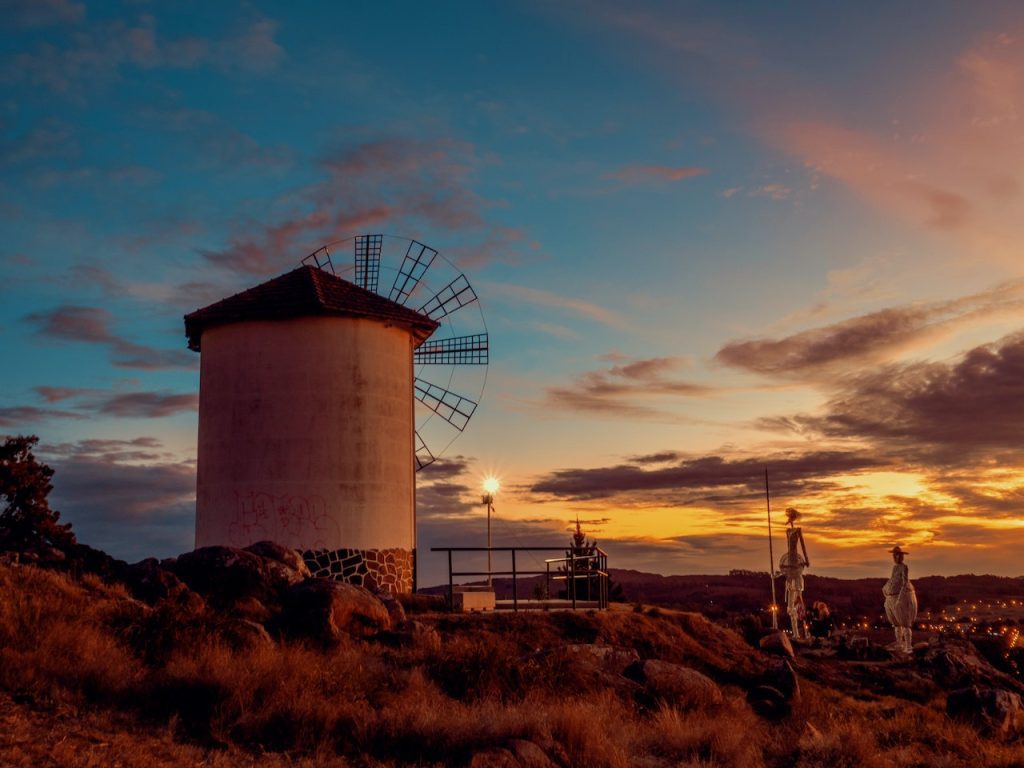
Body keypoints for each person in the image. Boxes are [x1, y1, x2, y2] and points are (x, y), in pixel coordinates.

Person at [779, 507, 810, 640]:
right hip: (790, 567)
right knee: (790, 604)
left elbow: (802, 546)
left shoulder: (798, 530)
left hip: (796, 567)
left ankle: (803, 631)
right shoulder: (788, 531)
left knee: (798, 601)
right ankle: (795, 633)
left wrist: (807, 560)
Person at [883, 545, 917, 653]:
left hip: (902, 598)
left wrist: (900, 598)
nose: (894, 557)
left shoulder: (904, 567)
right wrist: (885, 588)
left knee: (905, 623)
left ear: (900, 556)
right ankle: (899, 643)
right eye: (893, 555)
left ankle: (908, 646)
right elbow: (892, 579)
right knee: (896, 624)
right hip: (892, 598)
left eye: (896, 555)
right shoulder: (895, 568)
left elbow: (904, 582)